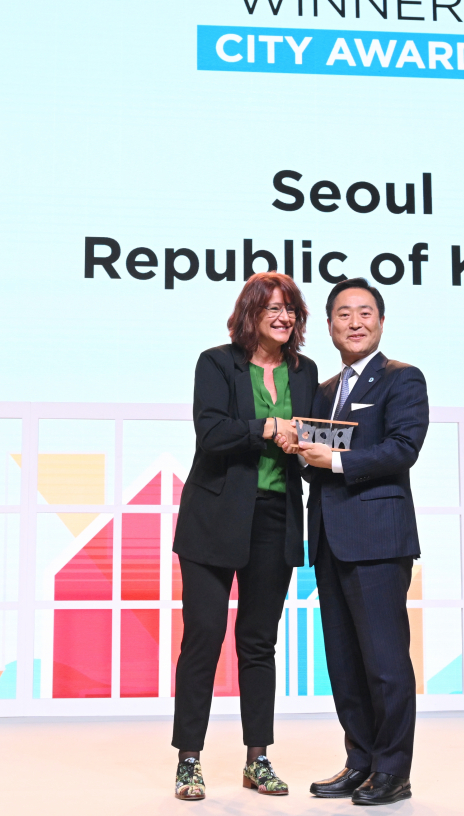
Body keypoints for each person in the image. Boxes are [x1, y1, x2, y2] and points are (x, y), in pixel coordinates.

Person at [171, 272, 319, 801]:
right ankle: (189, 759)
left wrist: (320, 446)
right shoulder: (216, 363)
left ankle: (258, 758)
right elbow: (210, 433)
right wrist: (264, 428)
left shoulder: (305, 371)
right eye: (273, 308)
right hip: (213, 520)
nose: (284, 317)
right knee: (204, 639)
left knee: (259, 644)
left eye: (292, 310)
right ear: (250, 313)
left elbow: (309, 438)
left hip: (276, 520)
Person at [288, 277, 429, 806]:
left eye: (364, 312)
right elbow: (316, 467)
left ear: (381, 321)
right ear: (328, 326)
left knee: (386, 663)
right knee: (344, 663)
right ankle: (360, 761)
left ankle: (394, 771)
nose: (355, 322)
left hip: (378, 539)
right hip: (329, 538)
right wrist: (298, 451)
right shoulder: (323, 392)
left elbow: (402, 449)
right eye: (343, 314)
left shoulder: (402, 379)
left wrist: (337, 461)